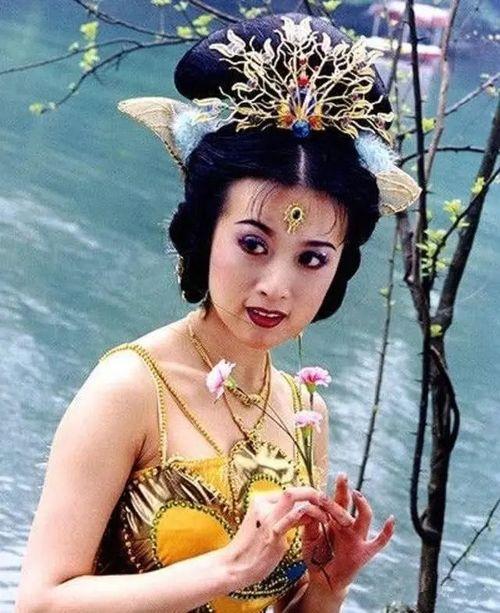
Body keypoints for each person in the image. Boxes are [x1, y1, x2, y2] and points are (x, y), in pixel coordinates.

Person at [15, 12, 420, 613]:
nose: (276, 288)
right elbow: (42, 602)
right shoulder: (131, 388)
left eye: (312, 258)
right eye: (253, 244)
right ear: (206, 233)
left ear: (339, 268)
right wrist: (228, 567)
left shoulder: (304, 411)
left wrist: (326, 589)